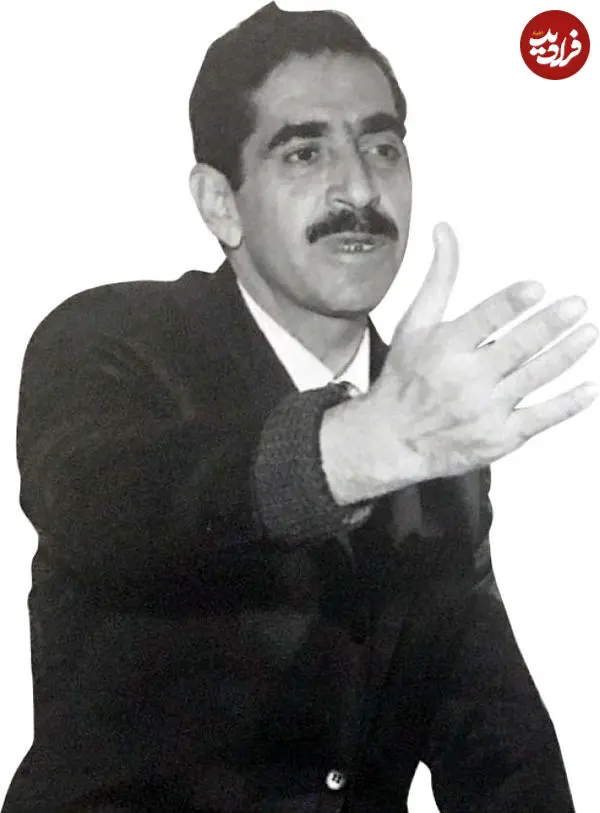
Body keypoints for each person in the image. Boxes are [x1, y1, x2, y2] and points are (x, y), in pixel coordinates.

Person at [2, 3, 597, 812]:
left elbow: (496, 736)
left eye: (382, 147)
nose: (360, 188)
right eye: (304, 151)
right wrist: (353, 451)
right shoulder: (111, 340)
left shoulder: (431, 431)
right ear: (221, 203)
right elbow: (101, 501)